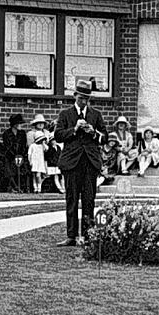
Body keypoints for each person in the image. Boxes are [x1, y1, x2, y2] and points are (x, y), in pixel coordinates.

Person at [55, 79, 105, 247]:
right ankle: (71, 236)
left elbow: (105, 138)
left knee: (89, 200)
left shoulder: (96, 115)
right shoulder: (65, 114)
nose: (84, 102)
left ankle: (87, 236)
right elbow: (58, 135)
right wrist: (75, 129)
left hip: (90, 163)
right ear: (75, 96)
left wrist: (94, 132)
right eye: (81, 98)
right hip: (72, 163)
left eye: (87, 99)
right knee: (72, 199)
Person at [1, 114, 27, 193]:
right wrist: (14, 155)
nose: (20, 125)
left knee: (23, 165)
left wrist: (20, 155)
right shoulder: (7, 133)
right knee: (8, 165)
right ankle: (14, 186)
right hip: (10, 156)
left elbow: (23, 146)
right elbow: (7, 146)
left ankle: (23, 186)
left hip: (20, 155)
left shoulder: (22, 133)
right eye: (18, 124)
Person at [27, 114, 52, 193]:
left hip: (46, 155)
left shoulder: (47, 133)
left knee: (44, 173)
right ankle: (36, 187)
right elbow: (30, 146)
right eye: (38, 123)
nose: (41, 124)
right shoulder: (31, 133)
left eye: (42, 123)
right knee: (36, 173)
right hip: (36, 156)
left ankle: (40, 186)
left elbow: (49, 145)